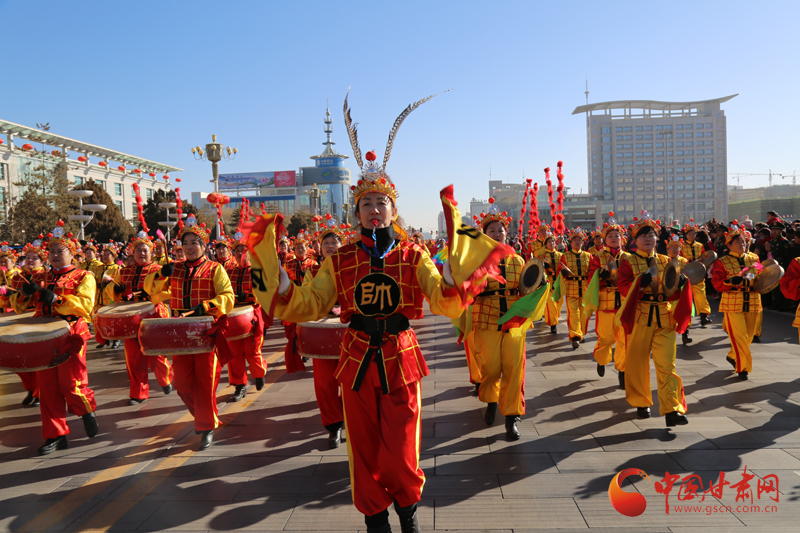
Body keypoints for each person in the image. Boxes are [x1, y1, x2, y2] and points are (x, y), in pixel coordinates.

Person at [248, 92, 469, 533]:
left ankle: (407, 508)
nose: (373, 210)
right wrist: (279, 276)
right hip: (355, 358)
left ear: (393, 209)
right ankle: (373, 516)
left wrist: (457, 270)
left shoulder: (413, 255)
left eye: (380, 203)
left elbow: (442, 296)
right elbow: (310, 303)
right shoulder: (340, 259)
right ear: (357, 211)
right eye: (365, 203)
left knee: (402, 446)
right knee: (363, 448)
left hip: (400, 357)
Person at [9, 223, 99, 455]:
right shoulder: (40, 276)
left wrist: (57, 300)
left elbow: (86, 306)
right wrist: (24, 294)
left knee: (70, 383)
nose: (56, 255)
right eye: (52, 251)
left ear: (72, 253)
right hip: (43, 335)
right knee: (47, 388)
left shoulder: (84, 276)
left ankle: (86, 410)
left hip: (70, 333)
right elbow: (19, 307)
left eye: (61, 251)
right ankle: (55, 435)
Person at [145, 216, 234, 450]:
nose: (189, 247)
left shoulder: (215, 269)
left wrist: (207, 305)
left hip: (205, 329)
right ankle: (206, 416)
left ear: (204, 246)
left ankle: (205, 425)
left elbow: (228, 297)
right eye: (185, 243)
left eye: (195, 242)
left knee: (205, 382)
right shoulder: (173, 268)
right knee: (182, 383)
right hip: (180, 332)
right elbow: (152, 291)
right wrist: (160, 274)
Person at [616, 212, 689, 427]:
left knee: (667, 365)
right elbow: (622, 286)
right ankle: (641, 401)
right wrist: (640, 282)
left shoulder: (668, 261)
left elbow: (672, 293)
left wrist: (681, 284)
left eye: (651, 235)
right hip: (640, 316)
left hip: (664, 317)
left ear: (657, 239)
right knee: (637, 363)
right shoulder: (627, 260)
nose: (648, 239)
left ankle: (672, 408)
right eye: (643, 235)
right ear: (634, 240)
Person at [470, 199, 526, 440]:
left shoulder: (519, 260)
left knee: (514, 369)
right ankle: (491, 399)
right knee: (491, 368)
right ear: (484, 234)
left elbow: (526, 287)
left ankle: (512, 416)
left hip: (514, 321)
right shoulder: (475, 260)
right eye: (491, 230)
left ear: (507, 233)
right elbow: (468, 289)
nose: (496, 233)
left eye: (500, 230)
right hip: (486, 318)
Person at [106, 231, 175, 405]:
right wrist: (116, 290)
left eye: (145, 250)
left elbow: (169, 293)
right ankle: (138, 393)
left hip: (154, 314)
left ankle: (165, 378)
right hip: (131, 318)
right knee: (134, 357)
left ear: (151, 252)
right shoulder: (124, 271)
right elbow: (112, 292)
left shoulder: (159, 270)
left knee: (157, 355)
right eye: (138, 250)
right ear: (133, 253)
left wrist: (153, 296)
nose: (142, 253)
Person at [302, 214, 348, 447]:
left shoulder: (353, 268)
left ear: (343, 245)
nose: (330, 246)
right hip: (323, 336)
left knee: (351, 382)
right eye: (326, 243)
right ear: (320, 248)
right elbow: (307, 299)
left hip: (352, 335)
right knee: (324, 384)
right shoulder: (311, 272)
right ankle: (333, 426)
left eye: (335, 242)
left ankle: (351, 420)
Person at [712, 224, 763, 380]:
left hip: (753, 300)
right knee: (739, 336)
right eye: (739, 242)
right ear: (728, 245)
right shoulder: (722, 262)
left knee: (748, 336)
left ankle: (732, 356)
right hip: (732, 302)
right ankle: (743, 368)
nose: (743, 244)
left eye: (745, 241)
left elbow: (761, 276)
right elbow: (717, 283)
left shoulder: (754, 258)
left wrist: (749, 279)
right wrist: (729, 282)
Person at [585, 213, 628, 386]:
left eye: (616, 235)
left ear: (622, 238)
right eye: (610, 236)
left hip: (624, 303)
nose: (614, 238)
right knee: (607, 338)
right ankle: (602, 359)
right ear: (604, 239)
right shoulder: (597, 257)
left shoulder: (629, 257)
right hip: (605, 303)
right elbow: (590, 281)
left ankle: (622, 370)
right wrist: (600, 275)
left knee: (625, 339)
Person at [224, 232, 267, 402]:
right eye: (237, 251)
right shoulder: (228, 271)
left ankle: (259, 373)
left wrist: (248, 295)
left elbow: (262, 293)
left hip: (252, 314)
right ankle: (239, 385)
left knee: (252, 350)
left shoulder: (257, 270)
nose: (240, 253)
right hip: (233, 316)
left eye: (244, 250)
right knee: (234, 353)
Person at [0, 242, 41, 407]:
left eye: (35, 258)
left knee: (38, 358)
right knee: (19, 359)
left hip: (39, 321)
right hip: (19, 320)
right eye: (28, 257)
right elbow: (6, 303)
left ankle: (38, 391)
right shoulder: (17, 277)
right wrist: (7, 296)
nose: (30, 260)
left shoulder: (47, 275)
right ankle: (30, 388)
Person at [560, 227, 591, 349]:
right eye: (575, 240)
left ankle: (581, 333)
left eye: (580, 240)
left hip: (584, 288)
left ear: (583, 243)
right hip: (571, 289)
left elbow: (593, 272)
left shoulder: (588, 256)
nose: (577, 242)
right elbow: (559, 271)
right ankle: (575, 336)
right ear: (570, 242)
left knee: (584, 314)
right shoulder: (565, 256)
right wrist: (562, 273)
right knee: (573, 314)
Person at [680, 220, 712, 328]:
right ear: (686, 235)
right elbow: (679, 258)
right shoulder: (682, 246)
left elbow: (704, 257)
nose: (692, 235)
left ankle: (703, 316)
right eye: (689, 234)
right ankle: (686, 320)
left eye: (693, 233)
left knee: (701, 295)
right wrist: (688, 262)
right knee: (686, 297)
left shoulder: (700, 245)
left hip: (698, 272)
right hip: (686, 272)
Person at [93, 244, 121, 350]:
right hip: (98, 297)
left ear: (114, 257)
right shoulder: (98, 268)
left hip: (110, 297)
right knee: (97, 320)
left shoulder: (117, 268)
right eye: (104, 255)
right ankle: (103, 340)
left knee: (112, 321)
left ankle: (116, 339)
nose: (104, 257)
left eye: (107, 255)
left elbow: (118, 283)